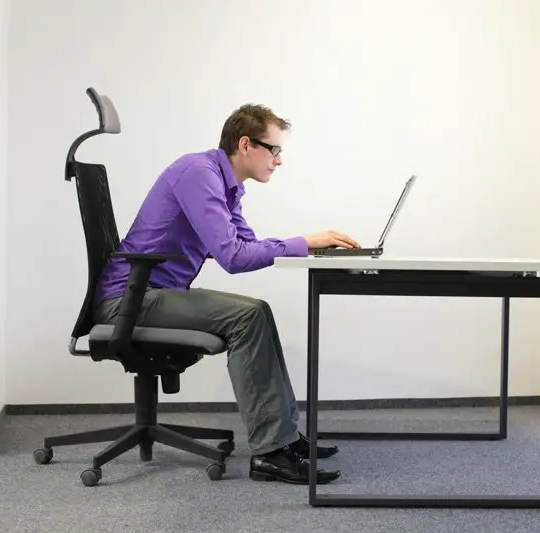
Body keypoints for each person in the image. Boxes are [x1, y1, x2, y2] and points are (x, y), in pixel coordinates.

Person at [93, 104, 360, 485]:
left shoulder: (224, 184)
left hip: (152, 293)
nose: (279, 161)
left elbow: (245, 245)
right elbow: (233, 258)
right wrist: (303, 241)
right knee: (247, 316)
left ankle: (286, 440)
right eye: (275, 150)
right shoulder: (198, 174)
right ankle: (270, 454)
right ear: (246, 144)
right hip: (129, 300)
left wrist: (308, 245)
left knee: (258, 311)